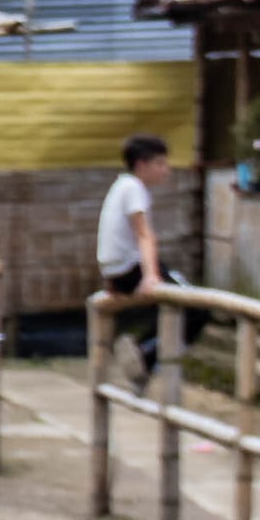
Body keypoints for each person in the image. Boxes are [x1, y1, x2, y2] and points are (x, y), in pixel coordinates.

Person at [95, 131, 171, 390]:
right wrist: (151, 275)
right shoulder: (134, 188)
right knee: (196, 309)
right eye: (160, 163)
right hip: (132, 269)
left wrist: (110, 280)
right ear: (141, 164)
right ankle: (144, 353)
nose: (166, 170)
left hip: (117, 272)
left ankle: (142, 356)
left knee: (168, 307)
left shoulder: (120, 186)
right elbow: (144, 234)